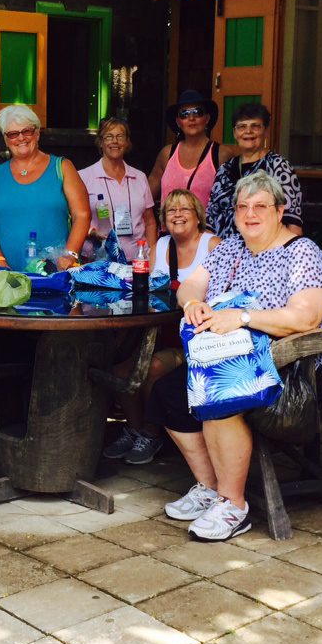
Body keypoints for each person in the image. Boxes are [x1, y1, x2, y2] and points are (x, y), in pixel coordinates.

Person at [150, 171, 322, 541]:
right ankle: (211, 488)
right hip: (237, 358)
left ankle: (235, 505)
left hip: (301, 368)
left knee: (221, 394)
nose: (250, 214)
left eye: (260, 206)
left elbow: (306, 318)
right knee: (169, 392)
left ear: (280, 210)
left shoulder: (301, 253)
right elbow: (192, 283)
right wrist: (192, 303)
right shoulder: (233, 248)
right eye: (243, 207)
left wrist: (241, 317)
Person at [104, 188, 220, 465]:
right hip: (159, 330)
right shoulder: (161, 246)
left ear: (198, 216)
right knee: (119, 369)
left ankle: (151, 433)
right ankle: (134, 428)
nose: (177, 215)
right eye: (171, 210)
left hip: (195, 338)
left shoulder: (212, 245)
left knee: (153, 368)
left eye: (184, 209)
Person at [0, 104, 90, 272]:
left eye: (26, 131)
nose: (21, 138)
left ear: (37, 133)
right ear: (6, 140)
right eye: (13, 134)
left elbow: (82, 214)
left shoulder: (62, 167)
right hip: (6, 278)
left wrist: (70, 256)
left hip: (55, 273)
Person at [206, 103, 304, 239]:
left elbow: (293, 225)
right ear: (235, 133)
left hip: (264, 253)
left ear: (266, 131)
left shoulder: (278, 166)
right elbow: (210, 219)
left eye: (255, 126)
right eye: (242, 127)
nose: (248, 131)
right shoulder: (225, 169)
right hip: (223, 252)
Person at [79, 118, 157, 262]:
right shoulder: (83, 177)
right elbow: (73, 218)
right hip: (98, 261)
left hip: (138, 259)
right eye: (109, 136)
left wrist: (152, 254)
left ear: (127, 142)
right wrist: (91, 231)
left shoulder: (139, 177)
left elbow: (150, 221)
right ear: (100, 142)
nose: (114, 141)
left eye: (120, 136)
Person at [149, 89, 227, 211]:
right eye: (184, 114)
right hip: (168, 229)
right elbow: (145, 199)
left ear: (207, 118)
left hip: (207, 230)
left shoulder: (220, 154)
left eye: (197, 112)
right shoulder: (166, 154)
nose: (191, 118)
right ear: (178, 122)